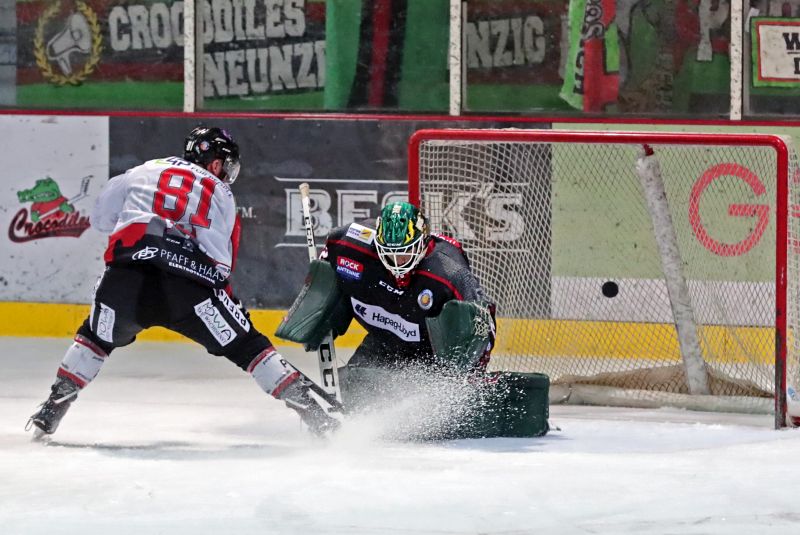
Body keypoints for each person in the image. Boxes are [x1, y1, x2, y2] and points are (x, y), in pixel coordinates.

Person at [27, 126, 338, 437]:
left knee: (95, 337)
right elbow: (218, 265)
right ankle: (316, 418)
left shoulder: (143, 170)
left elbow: (100, 218)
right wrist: (229, 301)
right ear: (216, 164)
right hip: (188, 291)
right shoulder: (221, 192)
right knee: (249, 347)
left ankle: (52, 407)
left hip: (125, 281)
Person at [276, 201, 549, 438]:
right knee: (356, 388)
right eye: (389, 252)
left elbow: (483, 323)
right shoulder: (347, 245)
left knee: (426, 418)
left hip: (430, 355)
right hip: (384, 341)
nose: (397, 261)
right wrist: (319, 302)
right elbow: (325, 271)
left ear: (423, 242)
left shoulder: (449, 269)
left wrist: (463, 372)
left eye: (405, 252)